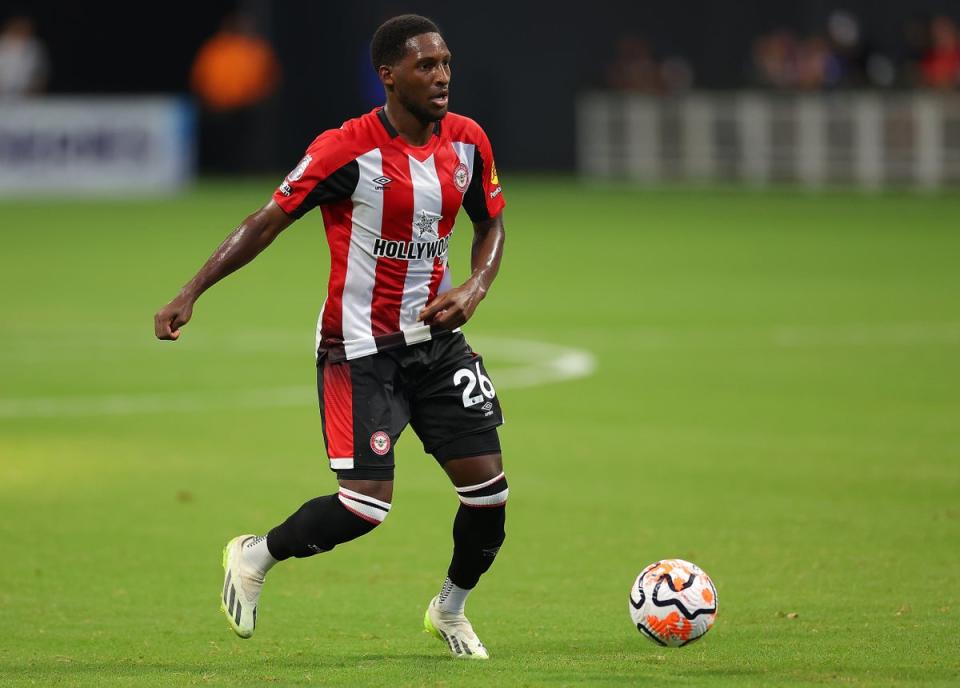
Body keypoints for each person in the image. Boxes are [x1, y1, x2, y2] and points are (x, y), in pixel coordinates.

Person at [154, 14, 507, 660]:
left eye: (446, 63)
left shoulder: (468, 142)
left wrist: (475, 287)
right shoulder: (346, 150)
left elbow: (492, 224)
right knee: (366, 507)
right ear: (389, 76)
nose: (441, 76)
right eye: (426, 66)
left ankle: (449, 609)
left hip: (436, 344)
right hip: (359, 351)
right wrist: (190, 291)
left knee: (489, 496)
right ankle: (254, 554)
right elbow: (263, 224)